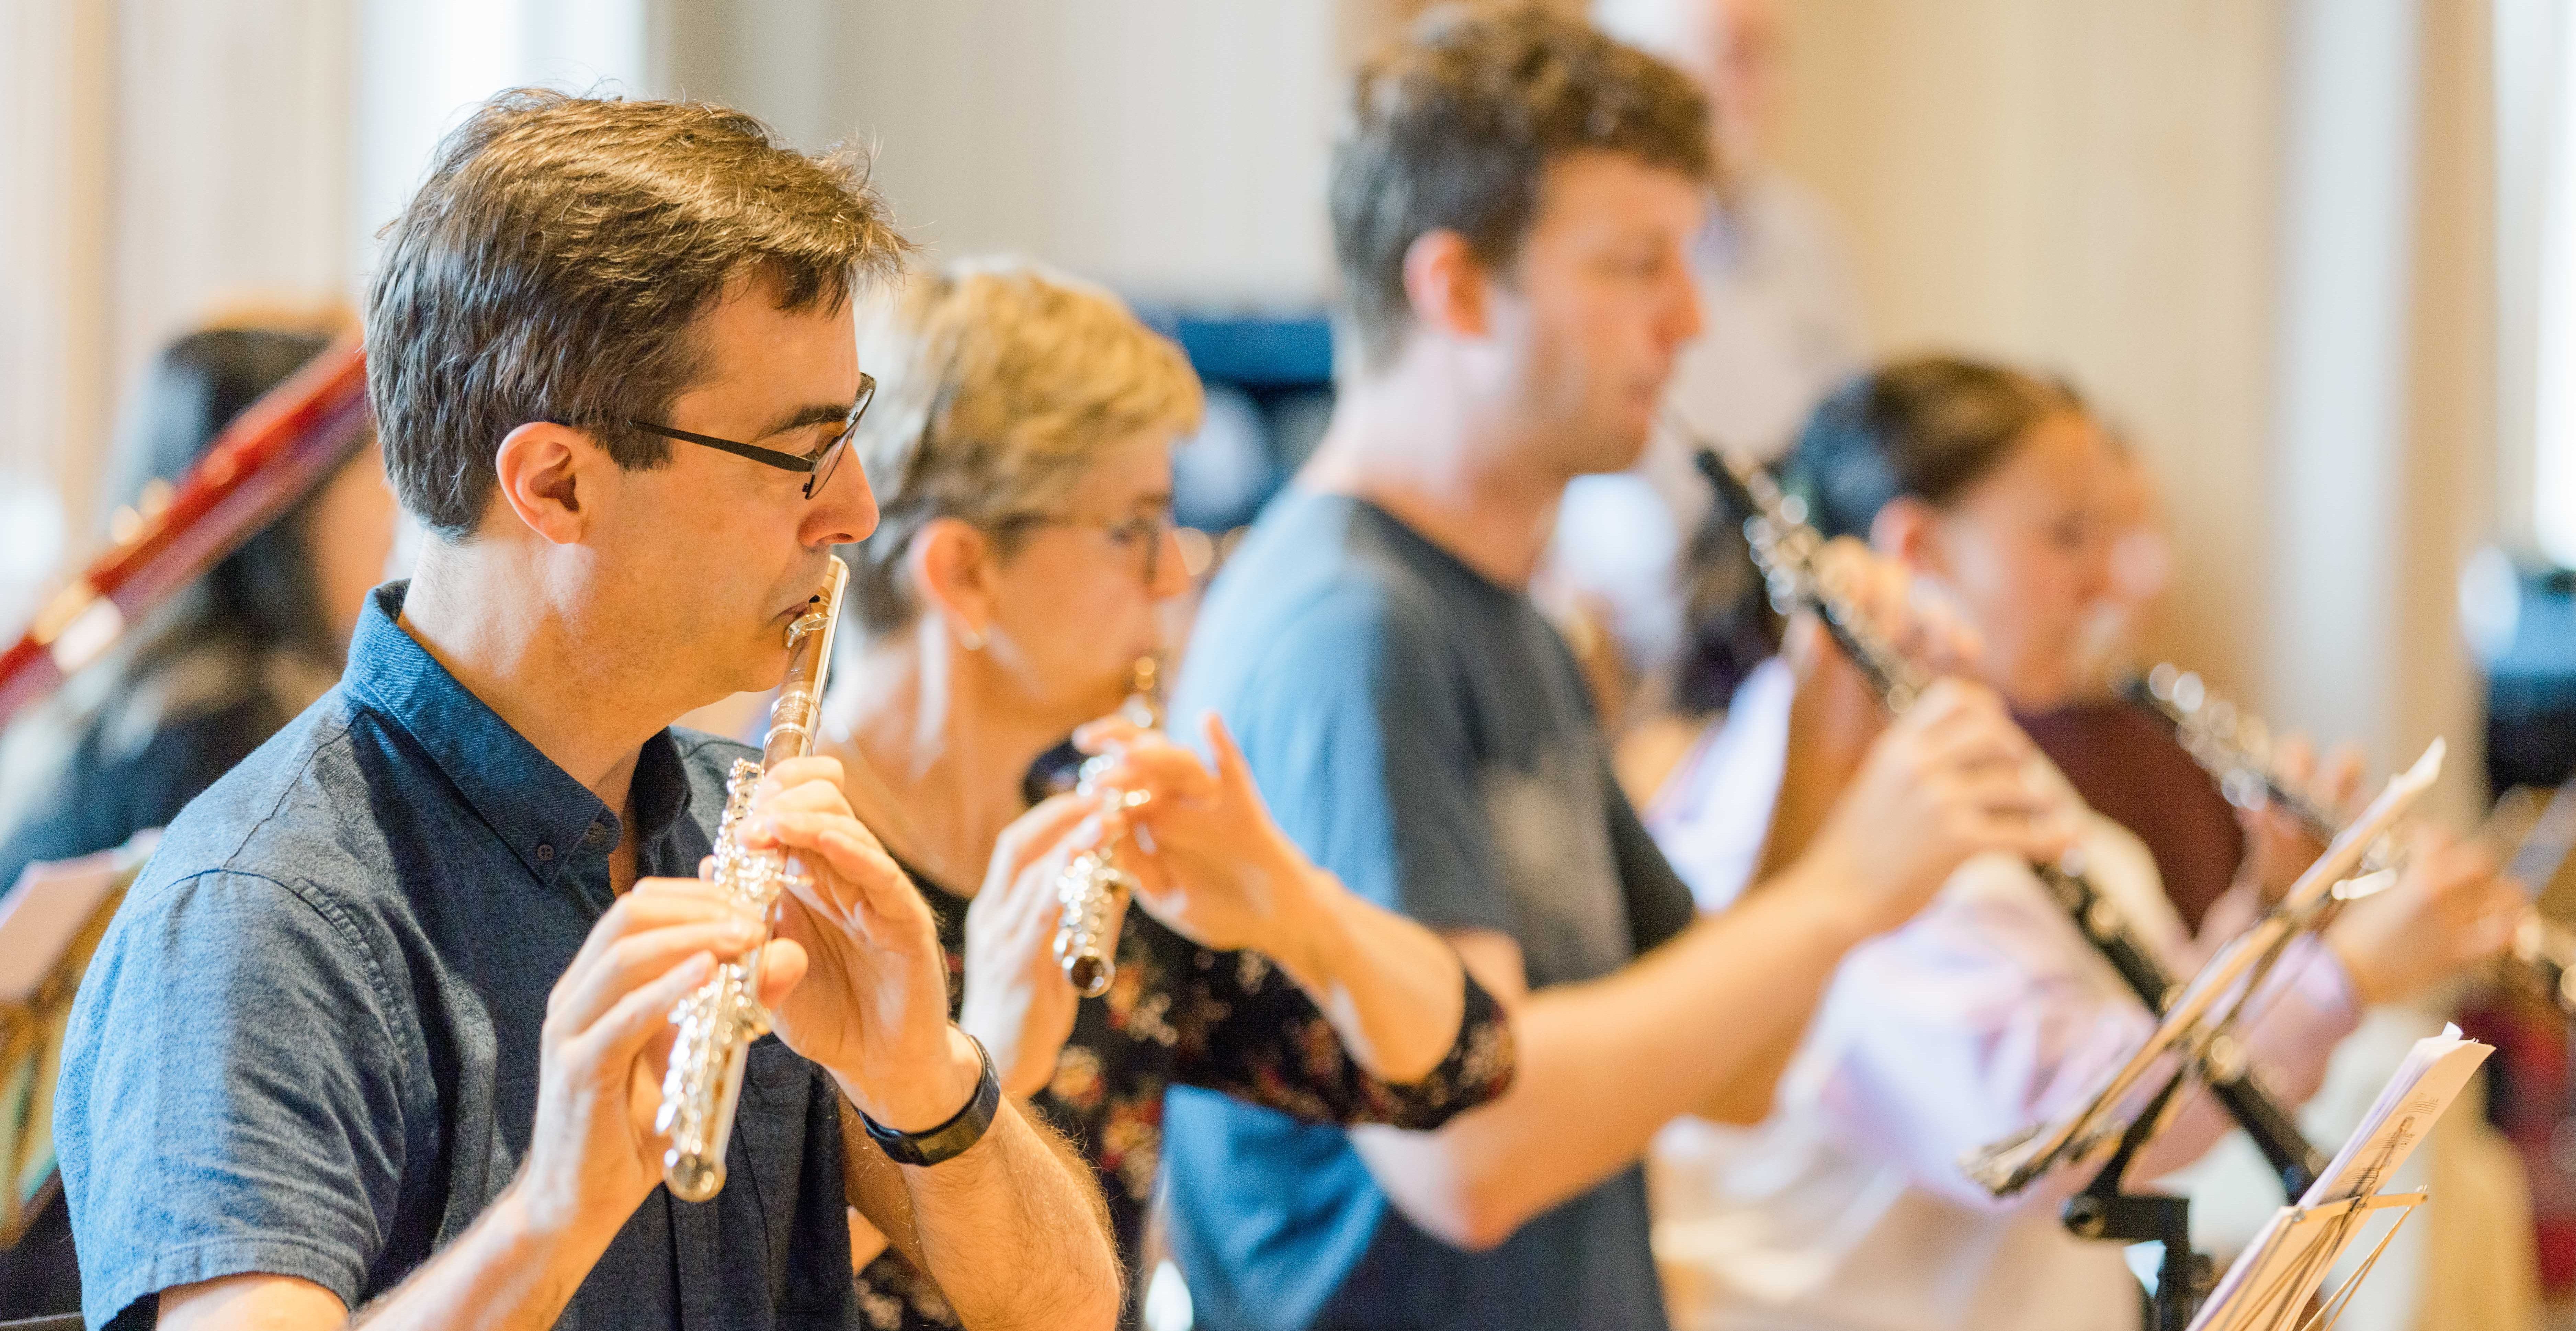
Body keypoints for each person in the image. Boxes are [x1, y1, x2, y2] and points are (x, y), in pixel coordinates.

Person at [54, 91, 1120, 1331]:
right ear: (557, 482)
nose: (857, 513)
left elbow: (1068, 1307)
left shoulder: (732, 816)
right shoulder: (262, 913)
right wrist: (552, 1217)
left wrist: (923, 1073)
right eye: (802, 452)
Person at [1156, 14, 2075, 1331]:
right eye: (1637, 265)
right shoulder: (1352, 628)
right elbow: (1466, 1156)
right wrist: (1848, 886)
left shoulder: (1506, 620)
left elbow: (1734, 1073)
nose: (1688, 319)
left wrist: (1824, 763)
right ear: (1456, 290)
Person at [1641, 356, 2526, 1331]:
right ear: (1919, 548)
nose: (2111, 580)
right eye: (2067, 536)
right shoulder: (1819, 791)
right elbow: (2052, 1135)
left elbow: (2128, 1032)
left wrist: (2275, 905)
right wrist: (2338, 974)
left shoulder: (1975, 748)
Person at [817, 258, 1518, 1328]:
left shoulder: (1097, 835)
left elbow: (1462, 1065)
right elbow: (760, 1278)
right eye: (1133, 528)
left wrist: (1288, 900)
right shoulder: (777, 869)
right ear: (963, 573)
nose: (1171, 577)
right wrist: (984, 1066)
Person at [0, 317, 394, 1322]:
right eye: (377, 474)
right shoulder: (225, 725)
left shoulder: (137, 696)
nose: (398, 515)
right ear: (289, 507)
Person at [1543, 0, 1866, 706]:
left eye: (1769, 56)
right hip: (1626, 646)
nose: (1762, 88)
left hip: (1771, 633)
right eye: (1731, 55)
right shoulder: (1569, 246)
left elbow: (1839, 452)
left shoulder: (1809, 241)